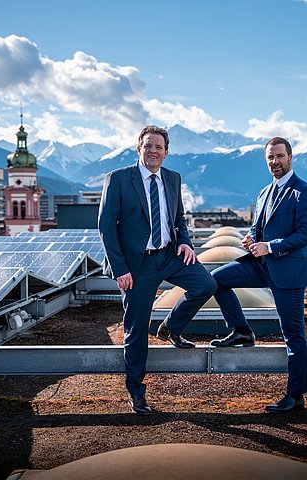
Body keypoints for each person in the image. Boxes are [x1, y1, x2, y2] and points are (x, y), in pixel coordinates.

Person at [98, 125, 216, 415]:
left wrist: (186, 243)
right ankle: (137, 392)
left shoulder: (173, 179)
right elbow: (106, 227)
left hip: (169, 254)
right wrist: (120, 269)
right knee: (136, 327)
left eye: (158, 147)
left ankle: (171, 328)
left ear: (166, 152)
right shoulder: (119, 179)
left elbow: (179, 218)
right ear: (138, 148)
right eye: (147, 146)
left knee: (206, 285)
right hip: (137, 265)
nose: (153, 151)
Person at [210, 136, 307, 413]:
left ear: (290, 157)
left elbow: (306, 235)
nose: (275, 162)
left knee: (293, 334)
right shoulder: (263, 193)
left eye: (279, 156)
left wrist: (268, 246)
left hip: (289, 271)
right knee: (216, 280)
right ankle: (242, 331)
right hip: (261, 264)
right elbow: (259, 229)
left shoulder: (304, 191)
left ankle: (295, 396)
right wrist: (250, 239)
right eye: (270, 157)